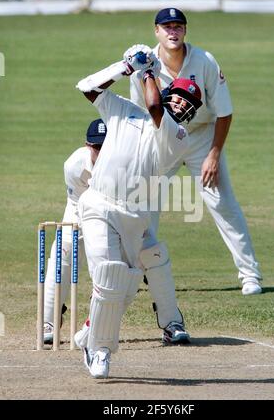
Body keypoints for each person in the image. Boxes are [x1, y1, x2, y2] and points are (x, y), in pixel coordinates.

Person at [75, 44, 203, 378]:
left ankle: (92, 331)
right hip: (99, 203)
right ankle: (99, 349)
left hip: (135, 215)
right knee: (110, 272)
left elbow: (154, 105)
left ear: (189, 114)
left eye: (187, 105)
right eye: (177, 97)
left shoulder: (178, 135)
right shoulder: (125, 111)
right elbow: (87, 87)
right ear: (168, 91)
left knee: (125, 286)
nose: (180, 104)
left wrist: (147, 71)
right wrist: (125, 67)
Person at [130, 8, 262, 297]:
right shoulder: (143, 66)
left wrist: (214, 155)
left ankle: (250, 276)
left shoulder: (204, 61)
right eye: (167, 27)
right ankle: (140, 272)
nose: (172, 32)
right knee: (144, 206)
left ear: (185, 31)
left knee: (223, 205)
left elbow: (224, 112)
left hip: (202, 138)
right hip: (162, 139)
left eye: (178, 26)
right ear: (156, 32)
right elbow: (138, 118)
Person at [43, 119, 107, 344]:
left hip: (116, 210)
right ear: (87, 145)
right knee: (63, 250)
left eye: (105, 146)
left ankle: (99, 321)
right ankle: (49, 320)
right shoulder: (74, 165)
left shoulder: (123, 162)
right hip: (80, 206)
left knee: (120, 257)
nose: (100, 152)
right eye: (96, 147)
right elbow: (83, 204)